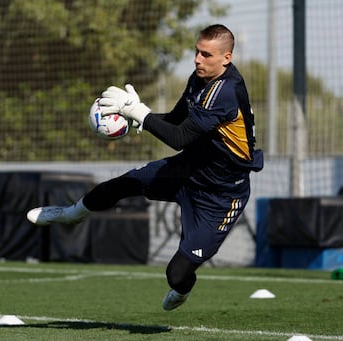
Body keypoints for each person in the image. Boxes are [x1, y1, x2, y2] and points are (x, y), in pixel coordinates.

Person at [27, 24, 263, 311]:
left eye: (206, 54)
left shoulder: (225, 92)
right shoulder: (200, 78)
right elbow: (177, 120)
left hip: (222, 194)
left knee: (177, 274)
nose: (197, 59)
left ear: (226, 58)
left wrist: (139, 113)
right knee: (125, 182)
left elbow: (179, 138)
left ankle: (182, 290)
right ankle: (70, 214)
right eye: (196, 52)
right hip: (189, 170)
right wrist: (138, 113)